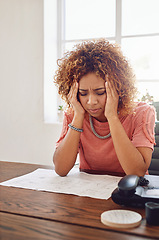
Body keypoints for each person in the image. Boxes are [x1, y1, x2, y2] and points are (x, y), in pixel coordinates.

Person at [53, 38, 156, 177]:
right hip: (89, 193)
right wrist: (78, 117)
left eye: (100, 92)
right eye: (83, 93)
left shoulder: (142, 113)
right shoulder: (74, 114)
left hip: (126, 194)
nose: (91, 101)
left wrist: (112, 116)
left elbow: (137, 172)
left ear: (118, 88)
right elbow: (61, 169)